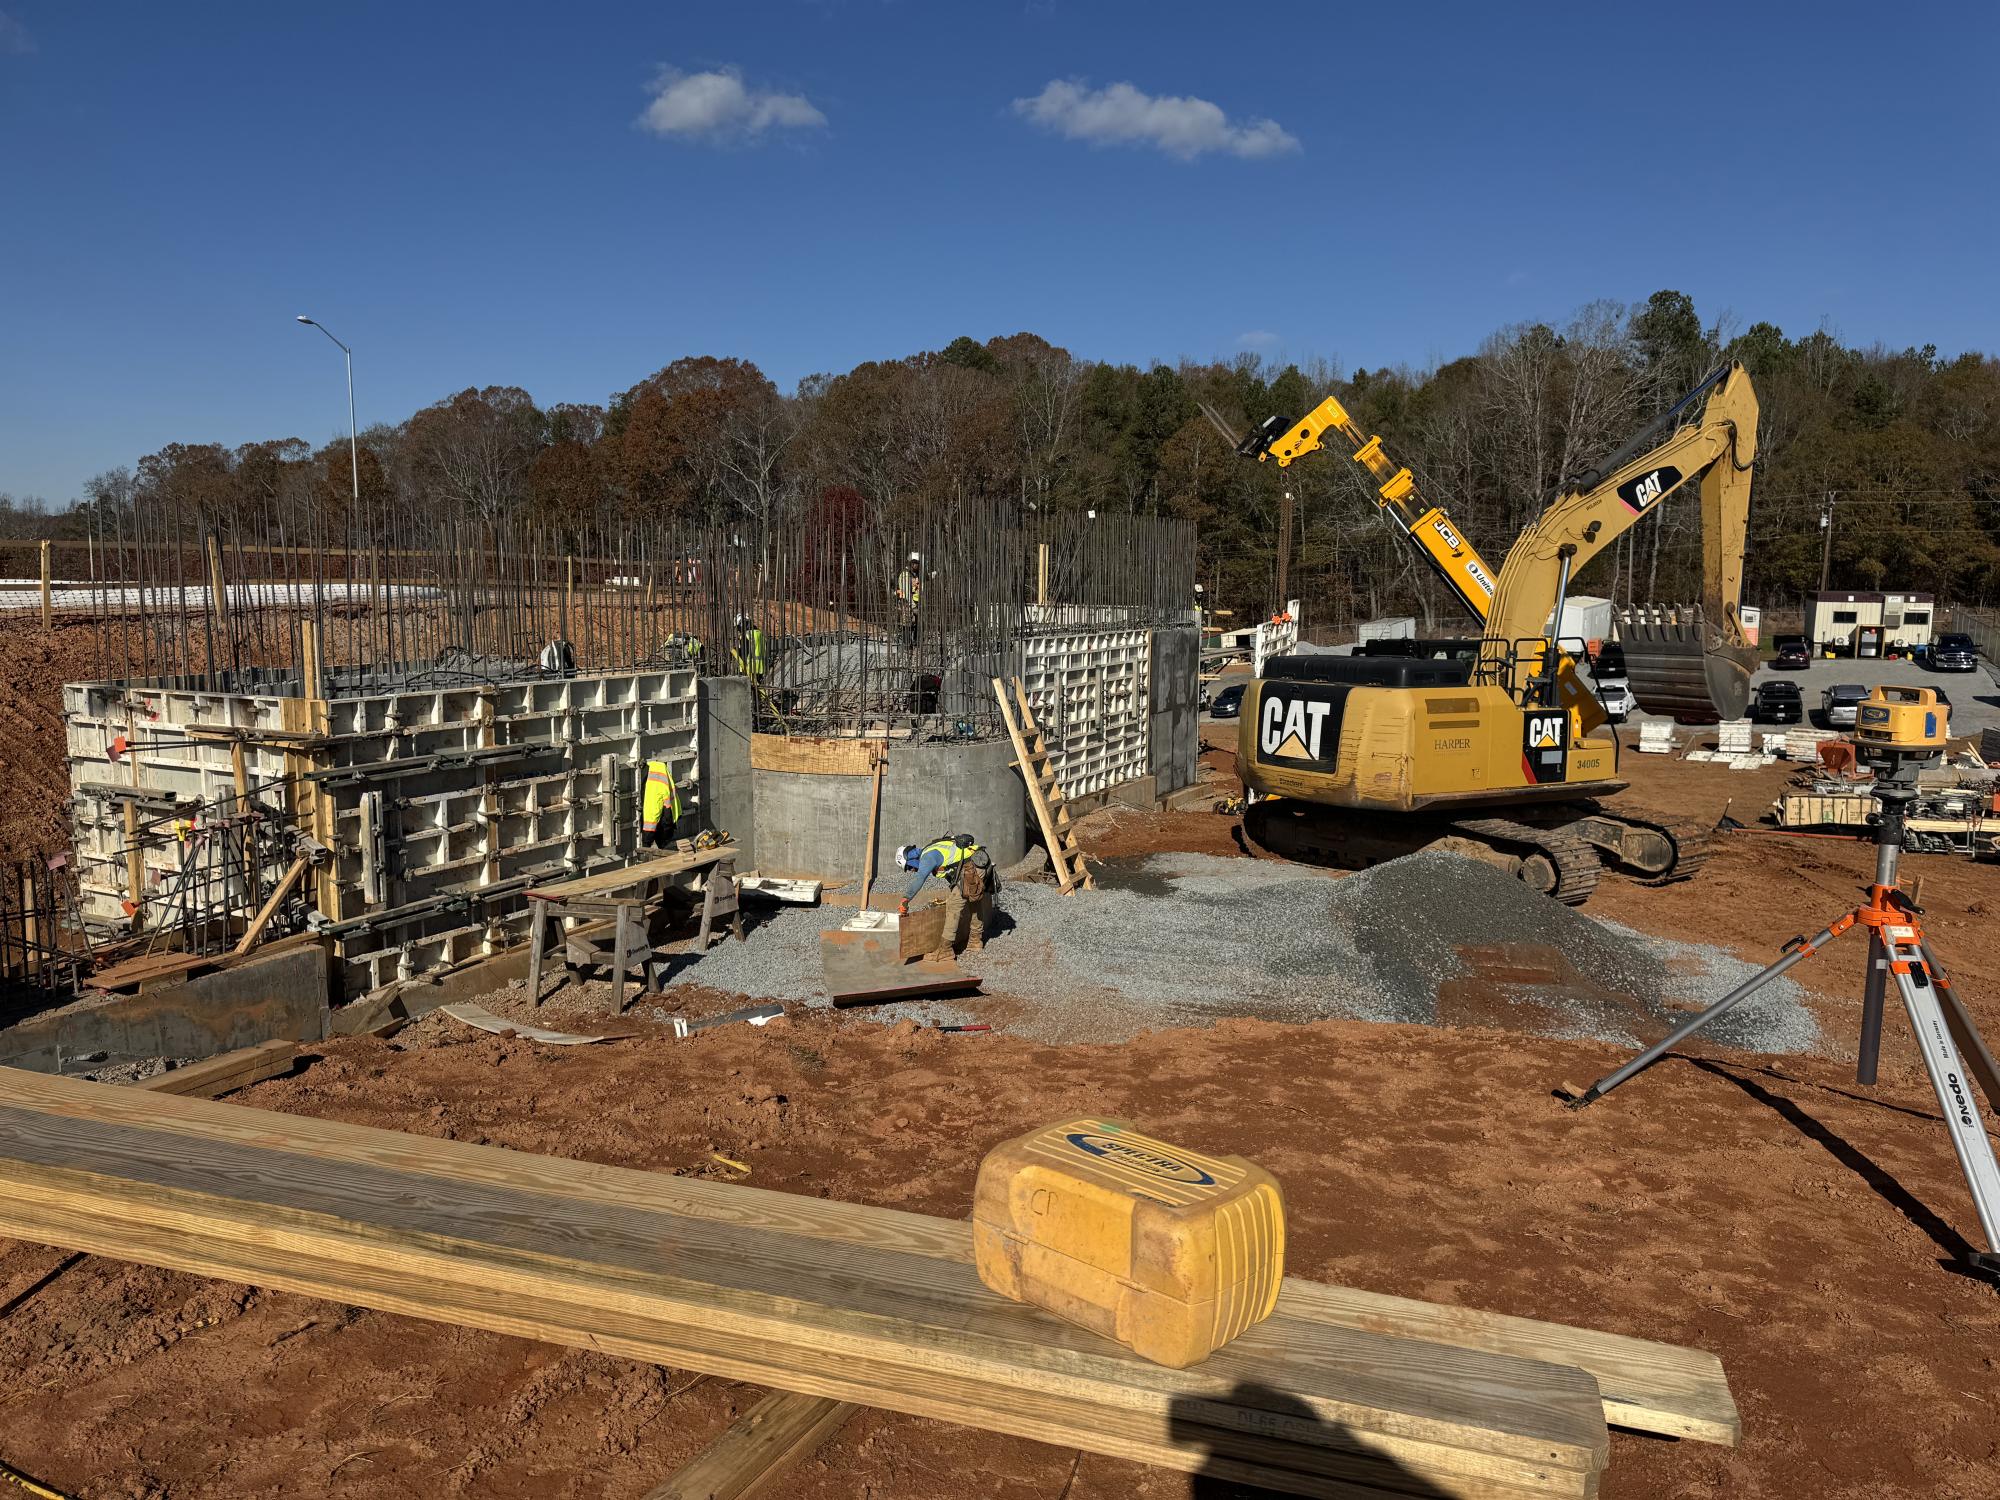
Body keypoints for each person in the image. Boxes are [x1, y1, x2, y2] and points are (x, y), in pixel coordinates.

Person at [897, 834, 995, 959]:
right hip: (979, 863)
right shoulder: (932, 849)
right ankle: (975, 941)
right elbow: (953, 868)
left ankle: (945, 950)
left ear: (910, 858)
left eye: (909, 867)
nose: (912, 870)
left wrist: (905, 899)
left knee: (953, 905)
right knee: (974, 902)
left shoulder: (928, 856)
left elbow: (920, 877)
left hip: (973, 867)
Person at [641, 758, 682, 847]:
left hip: (662, 819)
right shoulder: (663, 776)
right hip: (666, 818)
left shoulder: (657, 775)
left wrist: (646, 842)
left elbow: (652, 817)